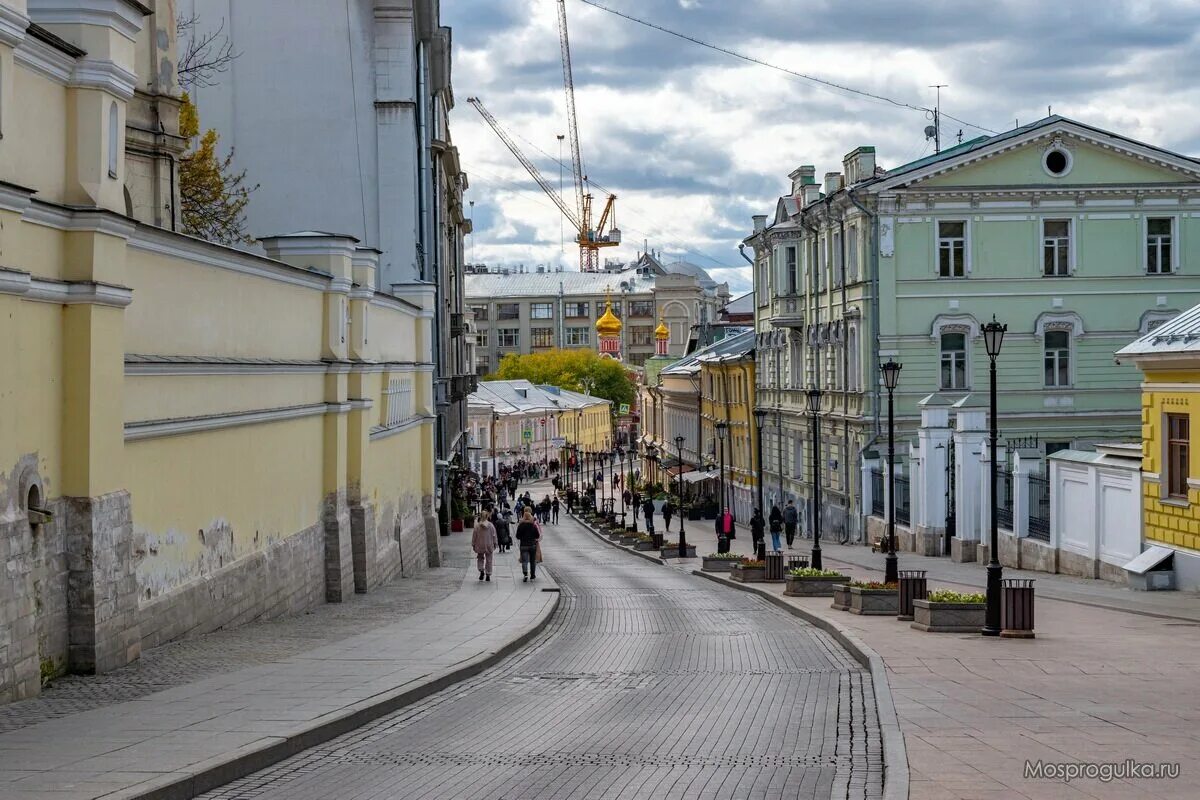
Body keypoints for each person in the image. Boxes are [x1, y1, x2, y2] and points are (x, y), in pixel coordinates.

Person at [515, 509, 541, 582]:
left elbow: (517, 536)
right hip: (532, 545)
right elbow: (537, 535)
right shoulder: (533, 525)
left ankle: (525, 574)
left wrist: (522, 537)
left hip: (523, 545)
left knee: (524, 561)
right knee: (533, 561)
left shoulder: (521, 525)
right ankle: (532, 575)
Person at [472, 511, 498, 582]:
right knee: (489, 560)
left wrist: (473, 544)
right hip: (489, 544)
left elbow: (474, 536)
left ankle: (481, 570)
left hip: (480, 544)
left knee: (480, 558)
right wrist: (495, 543)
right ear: (487, 516)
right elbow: (494, 535)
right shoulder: (491, 525)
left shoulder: (477, 526)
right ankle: (488, 574)